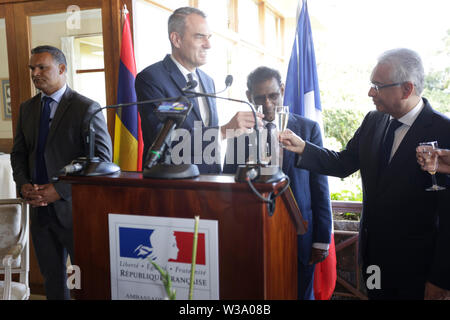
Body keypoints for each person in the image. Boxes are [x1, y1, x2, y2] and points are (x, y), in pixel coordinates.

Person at [280, 48, 450, 300]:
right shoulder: (373, 121)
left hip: (418, 268)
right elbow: (342, 163)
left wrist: (440, 278)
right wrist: (303, 147)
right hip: (373, 259)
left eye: (378, 86)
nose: (370, 92)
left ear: (407, 89)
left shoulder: (443, 130)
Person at [10, 45, 112, 299]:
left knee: (84, 279)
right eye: (32, 68)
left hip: (75, 210)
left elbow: (101, 160)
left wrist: (60, 190)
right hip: (38, 209)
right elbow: (19, 153)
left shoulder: (86, 108)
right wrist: (23, 184)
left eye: (41, 67)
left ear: (62, 68)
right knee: (53, 279)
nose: (35, 73)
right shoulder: (27, 108)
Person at [223, 66, 332, 300]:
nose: (268, 104)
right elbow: (227, 185)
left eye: (273, 95)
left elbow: (319, 186)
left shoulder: (308, 128)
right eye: (260, 98)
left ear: (282, 90)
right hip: (251, 234)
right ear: (249, 96)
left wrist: (322, 237)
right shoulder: (239, 132)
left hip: (300, 233)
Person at [135, 7, 262, 173]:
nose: (208, 45)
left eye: (208, 37)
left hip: (211, 183)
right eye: (200, 37)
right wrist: (223, 131)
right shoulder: (151, 79)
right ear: (176, 39)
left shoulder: (208, 81)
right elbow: (164, 140)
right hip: (173, 187)